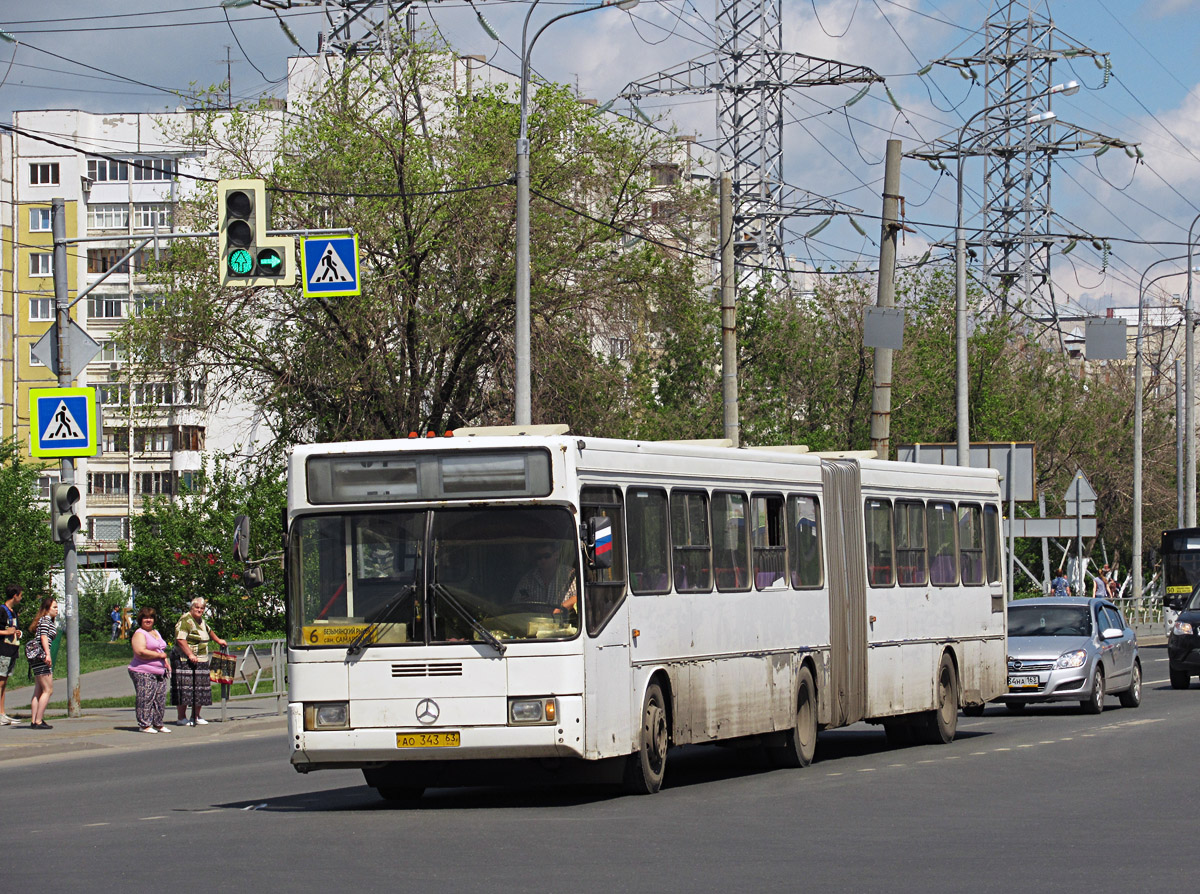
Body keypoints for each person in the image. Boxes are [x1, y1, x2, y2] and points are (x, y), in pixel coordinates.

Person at [172, 598, 226, 726]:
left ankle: (196, 716)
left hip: (202, 659)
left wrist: (218, 640)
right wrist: (190, 654)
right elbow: (180, 639)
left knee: (201, 688)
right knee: (185, 688)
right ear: (191, 608)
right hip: (185, 659)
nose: (199, 610)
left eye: (202, 608)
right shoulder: (185, 620)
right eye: (197, 607)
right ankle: (181, 717)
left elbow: (209, 631)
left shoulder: (201, 621)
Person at [128, 607, 172, 734]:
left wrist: (166, 663)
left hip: (159, 671)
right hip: (142, 670)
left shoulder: (156, 632)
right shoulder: (139, 634)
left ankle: (158, 723)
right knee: (146, 698)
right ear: (141, 620)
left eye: (151, 617)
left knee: (160, 698)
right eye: (145, 617)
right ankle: (144, 724)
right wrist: (159, 656)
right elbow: (140, 651)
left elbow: (161, 650)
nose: (148, 620)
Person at [513, 543, 577, 616]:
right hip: (533, 623)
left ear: (556, 554)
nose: (543, 560)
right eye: (539, 557)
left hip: (564, 623)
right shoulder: (528, 579)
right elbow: (516, 603)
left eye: (546, 556)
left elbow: (578, 598)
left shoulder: (570, 575)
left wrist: (557, 610)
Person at [25, 597, 58, 730]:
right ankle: (38, 720)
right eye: (54, 607)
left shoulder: (42, 621)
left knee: (38, 690)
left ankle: (34, 720)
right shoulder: (45, 620)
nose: (57, 610)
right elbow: (44, 637)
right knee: (48, 690)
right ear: (47, 608)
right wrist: (47, 654)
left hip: (37, 658)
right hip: (42, 657)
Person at [0, 585, 23, 725]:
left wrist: (17, 632)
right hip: (2, 650)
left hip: (12, 650)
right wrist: (6, 632)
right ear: (15, 595)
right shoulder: (1, 610)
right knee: (0, 683)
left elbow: (14, 628)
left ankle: (2, 712)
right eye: (20, 595)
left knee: (4, 683)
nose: (21, 598)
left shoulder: (13, 612)